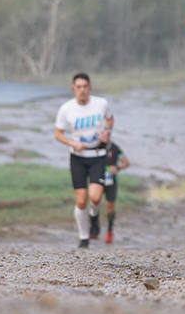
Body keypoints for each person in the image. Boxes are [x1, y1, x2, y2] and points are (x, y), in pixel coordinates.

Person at [54, 73, 114, 248]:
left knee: (95, 197)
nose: (82, 90)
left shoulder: (101, 104)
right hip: (77, 158)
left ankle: (94, 215)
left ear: (90, 88)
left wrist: (107, 132)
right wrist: (72, 142)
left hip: (97, 155)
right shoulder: (66, 109)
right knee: (81, 200)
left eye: (85, 86)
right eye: (78, 87)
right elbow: (57, 134)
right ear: (73, 89)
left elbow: (110, 119)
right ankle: (83, 238)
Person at [101, 141, 130, 244]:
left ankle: (109, 231)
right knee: (93, 203)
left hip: (111, 181)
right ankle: (93, 229)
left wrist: (117, 168)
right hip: (97, 179)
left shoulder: (114, 147)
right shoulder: (94, 145)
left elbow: (126, 163)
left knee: (109, 207)